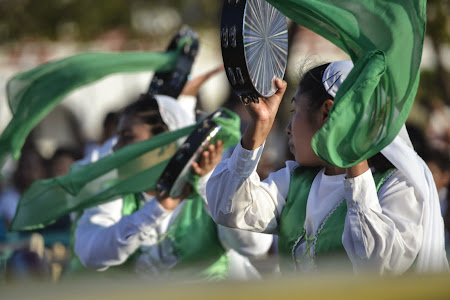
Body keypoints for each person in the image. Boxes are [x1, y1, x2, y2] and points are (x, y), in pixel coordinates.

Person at [206, 61, 449, 275]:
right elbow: (228, 208)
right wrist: (259, 125)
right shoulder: (295, 180)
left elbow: (379, 266)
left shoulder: (398, 186)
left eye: (295, 111)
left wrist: (351, 156)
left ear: (328, 113)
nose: (288, 128)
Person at [74, 92, 272, 280]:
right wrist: (157, 209)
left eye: (128, 137)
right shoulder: (115, 191)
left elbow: (255, 247)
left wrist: (206, 186)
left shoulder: (211, 185)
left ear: (166, 144)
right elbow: (91, 255)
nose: (116, 148)